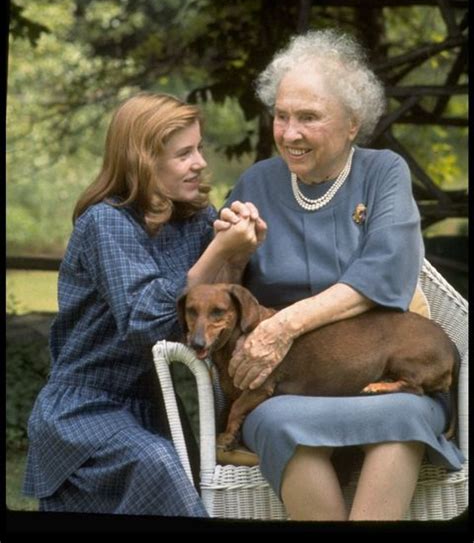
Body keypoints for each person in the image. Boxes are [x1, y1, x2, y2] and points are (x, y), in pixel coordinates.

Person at [216, 29, 464, 521]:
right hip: (288, 388)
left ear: (352, 124)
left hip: (386, 374)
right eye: (282, 116)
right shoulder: (256, 182)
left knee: (405, 416)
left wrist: (283, 326)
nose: (289, 133)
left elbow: (387, 272)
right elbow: (219, 292)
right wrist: (229, 250)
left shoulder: (382, 171)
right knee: (282, 423)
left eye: (308, 117)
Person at [22, 92, 264, 516]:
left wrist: (237, 255)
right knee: (158, 466)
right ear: (143, 161)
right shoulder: (106, 222)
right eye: (184, 153)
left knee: (188, 482)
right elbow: (148, 322)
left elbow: (215, 311)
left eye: (199, 148)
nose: (200, 163)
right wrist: (217, 251)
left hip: (152, 405)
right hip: (85, 408)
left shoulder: (194, 218)